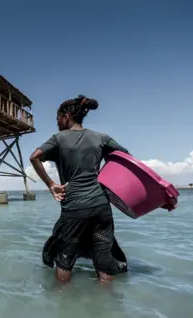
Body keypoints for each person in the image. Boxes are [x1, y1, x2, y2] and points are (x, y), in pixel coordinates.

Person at [29, 95, 128, 283]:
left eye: (57, 119)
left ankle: (63, 305)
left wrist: (51, 185)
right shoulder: (101, 137)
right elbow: (125, 158)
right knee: (103, 261)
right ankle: (107, 306)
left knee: (65, 260)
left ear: (66, 117)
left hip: (75, 208)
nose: (57, 124)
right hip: (101, 207)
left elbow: (34, 157)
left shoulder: (58, 139)